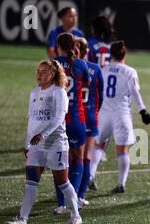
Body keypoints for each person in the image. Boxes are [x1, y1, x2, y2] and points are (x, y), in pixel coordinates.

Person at [5, 60, 82, 224]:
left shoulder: (59, 92)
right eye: (38, 71)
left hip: (56, 144)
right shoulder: (34, 93)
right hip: (36, 145)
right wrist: (28, 143)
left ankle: (76, 215)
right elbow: (31, 119)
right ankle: (23, 219)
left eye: (44, 71)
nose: (39, 74)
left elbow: (58, 118)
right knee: (31, 182)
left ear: (53, 74)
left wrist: (42, 134)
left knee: (62, 182)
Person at [90, 40, 150, 193]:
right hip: (121, 115)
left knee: (99, 145)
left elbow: (96, 91)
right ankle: (121, 184)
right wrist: (143, 110)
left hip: (104, 114)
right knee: (122, 150)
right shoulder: (129, 71)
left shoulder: (102, 69)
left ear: (110, 54)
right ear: (125, 53)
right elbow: (135, 92)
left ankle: (90, 176)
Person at [54, 33, 90, 214]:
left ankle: (61, 203)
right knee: (78, 158)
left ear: (58, 46)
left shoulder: (52, 65)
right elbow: (87, 85)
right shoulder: (81, 65)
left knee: (59, 161)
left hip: (57, 120)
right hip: (77, 118)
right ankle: (73, 198)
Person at [86, 15, 117, 191]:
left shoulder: (90, 44)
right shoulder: (113, 47)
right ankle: (90, 174)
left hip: (91, 93)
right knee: (102, 140)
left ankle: (83, 176)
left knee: (88, 138)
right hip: (109, 96)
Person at [74, 37, 104, 206]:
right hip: (91, 116)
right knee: (87, 157)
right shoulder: (95, 68)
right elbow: (101, 96)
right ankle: (80, 195)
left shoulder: (70, 68)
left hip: (74, 116)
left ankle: (68, 195)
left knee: (72, 157)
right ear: (88, 51)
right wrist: (94, 111)